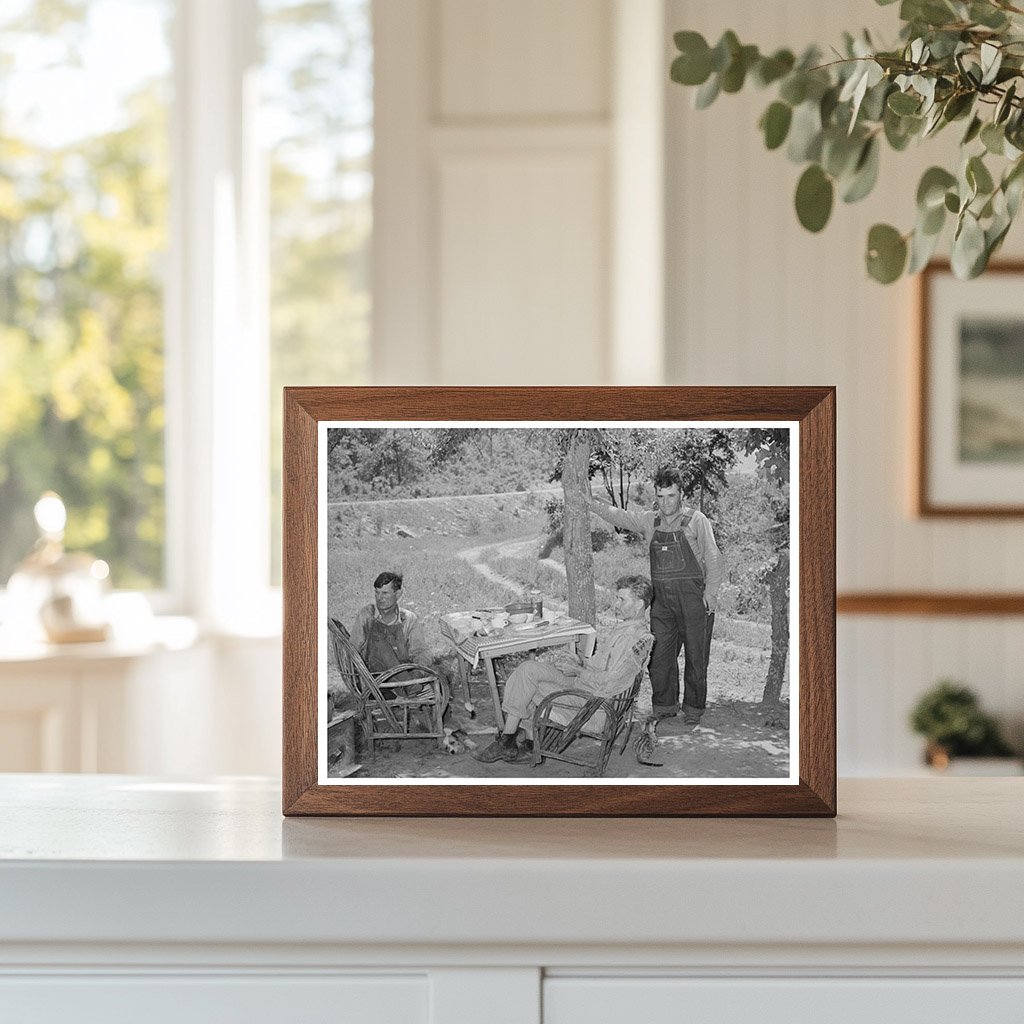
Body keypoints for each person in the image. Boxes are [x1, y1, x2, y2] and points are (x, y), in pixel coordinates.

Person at [587, 467, 723, 726]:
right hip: (661, 603)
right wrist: (592, 504)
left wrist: (710, 594)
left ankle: (693, 709)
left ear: (681, 494)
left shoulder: (696, 520)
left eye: (670, 496)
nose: (665, 503)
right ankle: (664, 706)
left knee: (696, 658)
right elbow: (621, 516)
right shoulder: (650, 521)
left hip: (694, 600)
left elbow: (713, 557)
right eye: (660, 497)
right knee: (659, 658)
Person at [473, 575, 654, 764]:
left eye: (621, 599)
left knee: (526, 681)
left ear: (640, 604)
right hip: (584, 687)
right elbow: (605, 666)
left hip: (593, 704)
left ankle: (511, 740)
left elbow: (611, 681)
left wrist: (578, 670)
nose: (615, 604)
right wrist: (581, 662)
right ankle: (518, 741)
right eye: (617, 598)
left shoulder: (632, 638)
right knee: (527, 670)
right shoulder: (627, 629)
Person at [350, 570, 431, 678]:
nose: (379, 598)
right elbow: (353, 650)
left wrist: (417, 674)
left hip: (405, 676)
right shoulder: (367, 615)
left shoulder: (409, 619)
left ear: (398, 594)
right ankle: (408, 686)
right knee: (378, 640)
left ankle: (408, 685)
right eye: (377, 592)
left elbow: (420, 652)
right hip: (375, 680)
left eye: (385, 593)